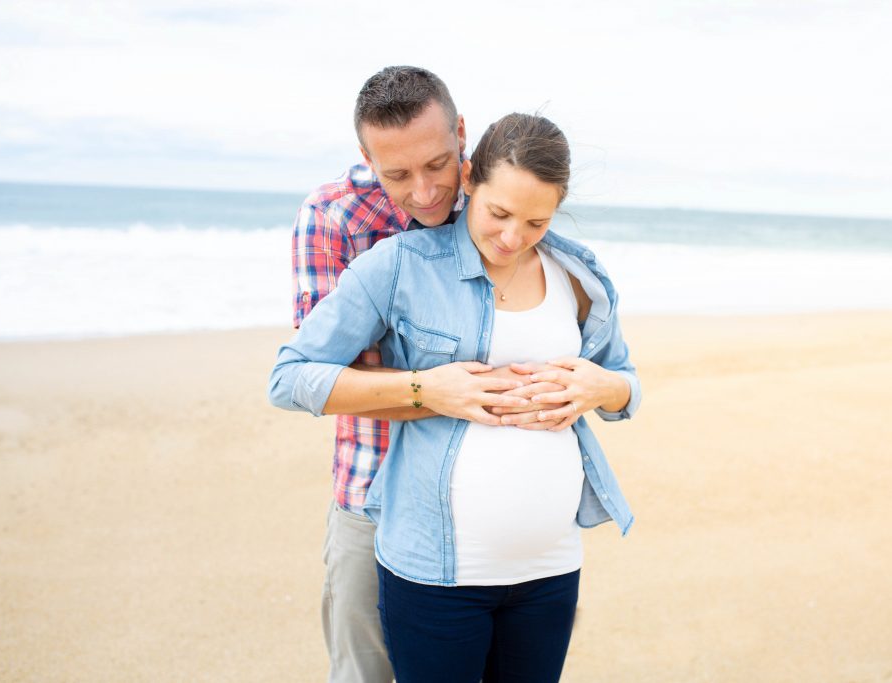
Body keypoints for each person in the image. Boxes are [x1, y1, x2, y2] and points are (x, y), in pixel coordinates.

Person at [270, 113, 640, 681]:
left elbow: (624, 385)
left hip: (551, 566)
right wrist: (426, 389)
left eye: (536, 222)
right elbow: (291, 378)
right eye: (498, 214)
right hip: (437, 570)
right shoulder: (400, 266)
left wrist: (602, 387)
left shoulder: (578, 273)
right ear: (469, 181)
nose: (513, 238)